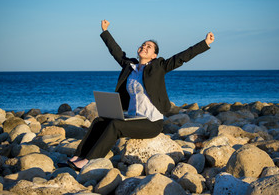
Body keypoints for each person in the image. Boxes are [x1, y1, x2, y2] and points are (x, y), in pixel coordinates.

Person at [67, 20, 215, 170]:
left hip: (151, 122)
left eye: (148, 47)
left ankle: (89, 161)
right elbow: (116, 51)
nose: (144, 47)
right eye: (143, 45)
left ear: (154, 55)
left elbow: (181, 57)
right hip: (133, 118)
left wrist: (205, 43)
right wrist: (105, 32)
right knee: (100, 121)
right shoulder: (129, 67)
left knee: (115, 125)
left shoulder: (158, 67)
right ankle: (79, 155)